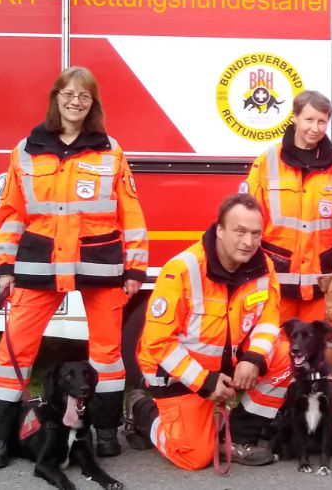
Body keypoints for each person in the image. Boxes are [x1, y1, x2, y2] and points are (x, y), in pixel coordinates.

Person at [0, 67, 148, 467]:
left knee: (107, 356)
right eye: (69, 94)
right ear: (56, 97)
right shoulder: (26, 149)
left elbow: (131, 214)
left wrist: (135, 269)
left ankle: (104, 433)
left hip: (100, 266)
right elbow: (12, 214)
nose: (76, 101)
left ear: (93, 104)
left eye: (84, 96)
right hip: (40, 264)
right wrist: (5, 267)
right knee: (14, 351)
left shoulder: (110, 150)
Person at [124, 194, 290, 469]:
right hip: (179, 374)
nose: (249, 242)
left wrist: (254, 358)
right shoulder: (181, 270)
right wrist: (205, 382)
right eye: (240, 231)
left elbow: (268, 321)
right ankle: (142, 411)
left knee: (284, 354)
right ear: (220, 230)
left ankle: (237, 437)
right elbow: (158, 342)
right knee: (193, 457)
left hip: (225, 365)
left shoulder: (264, 268)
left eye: (255, 233)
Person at [243, 90, 332, 323]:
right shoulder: (268, 160)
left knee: (317, 343)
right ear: (295, 117)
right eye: (309, 119)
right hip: (276, 280)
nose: (315, 128)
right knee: (272, 339)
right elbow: (248, 215)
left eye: (321, 122)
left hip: (321, 283)